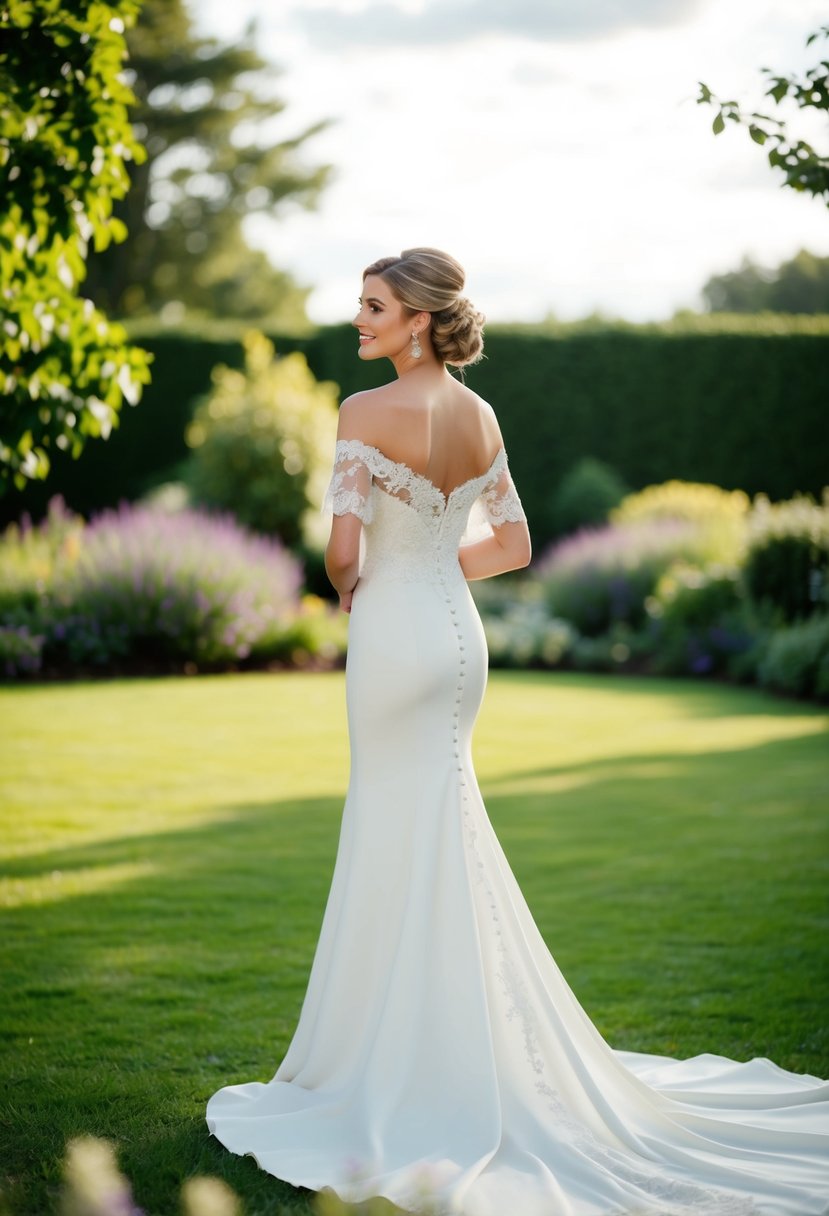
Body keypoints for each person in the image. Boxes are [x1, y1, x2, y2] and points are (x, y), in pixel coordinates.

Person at [207, 248, 828, 1215]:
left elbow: (339, 553)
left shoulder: (362, 414)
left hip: (394, 639)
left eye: (372, 308)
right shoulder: (481, 415)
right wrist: (431, 567)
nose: (357, 321)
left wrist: (370, 581)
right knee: (442, 835)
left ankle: (398, 1065)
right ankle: (456, 1050)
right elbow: (516, 543)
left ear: (416, 319)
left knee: (389, 832)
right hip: (460, 639)